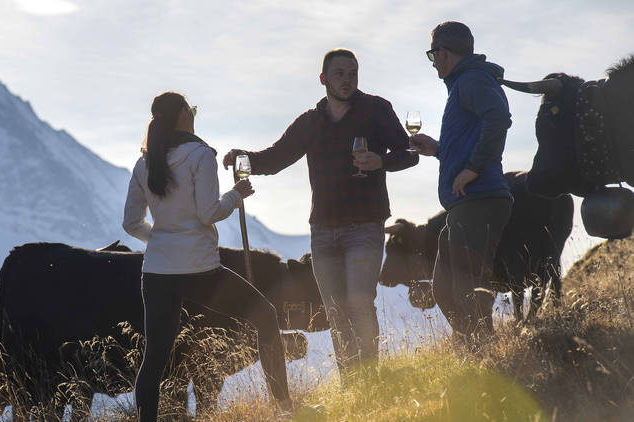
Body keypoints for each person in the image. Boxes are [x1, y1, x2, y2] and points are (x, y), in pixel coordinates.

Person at [223, 49, 418, 382]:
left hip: (365, 227)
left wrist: (381, 161)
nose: (347, 79)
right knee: (335, 311)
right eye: (340, 73)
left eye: (352, 73)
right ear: (323, 79)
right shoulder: (311, 121)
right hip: (323, 232)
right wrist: (244, 157)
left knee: (359, 302)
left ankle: (370, 379)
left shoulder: (376, 110)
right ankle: (351, 383)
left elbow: (409, 153)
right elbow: (276, 157)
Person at [123, 92, 293, 421]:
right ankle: (284, 408)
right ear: (184, 116)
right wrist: (236, 195)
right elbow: (208, 213)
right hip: (200, 271)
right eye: (193, 110)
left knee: (155, 357)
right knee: (266, 317)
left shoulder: (144, 163)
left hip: (156, 273)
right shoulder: (200, 155)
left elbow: (131, 223)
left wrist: (160, 239)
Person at [409, 21, 513, 342]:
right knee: (444, 287)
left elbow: (498, 118)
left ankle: (485, 351)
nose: (433, 63)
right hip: (465, 203)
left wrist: (474, 168)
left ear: (442, 52)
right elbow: (475, 134)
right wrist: (439, 150)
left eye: (432, 55)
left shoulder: (471, 80)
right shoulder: (463, 84)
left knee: (468, 288)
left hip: (479, 198)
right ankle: (474, 346)